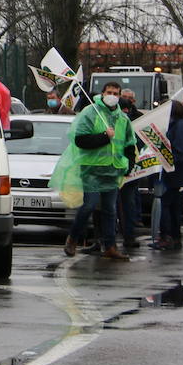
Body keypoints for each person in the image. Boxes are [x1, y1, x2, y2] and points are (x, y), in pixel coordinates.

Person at [63, 82, 133, 260]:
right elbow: (80, 140)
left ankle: (109, 246)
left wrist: (129, 166)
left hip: (112, 170)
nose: (112, 95)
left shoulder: (122, 118)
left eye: (115, 93)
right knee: (89, 205)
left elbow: (129, 144)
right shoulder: (90, 113)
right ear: (102, 93)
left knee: (110, 210)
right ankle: (73, 237)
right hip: (92, 170)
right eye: (109, 92)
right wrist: (103, 137)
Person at [152, 101, 183, 251]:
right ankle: (174, 237)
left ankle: (167, 237)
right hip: (180, 174)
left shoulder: (179, 126)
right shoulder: (182, 125)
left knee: (167, 205)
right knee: (174, 207)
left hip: (176, 174)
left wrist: (167, 161)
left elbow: (179, 151)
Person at [117, 88, 144, 249]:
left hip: (128, 168)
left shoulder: (138, 119)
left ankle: (128, 234)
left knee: (128, 202)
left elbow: (136, 145)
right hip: (117, 167)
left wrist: (130, 166)